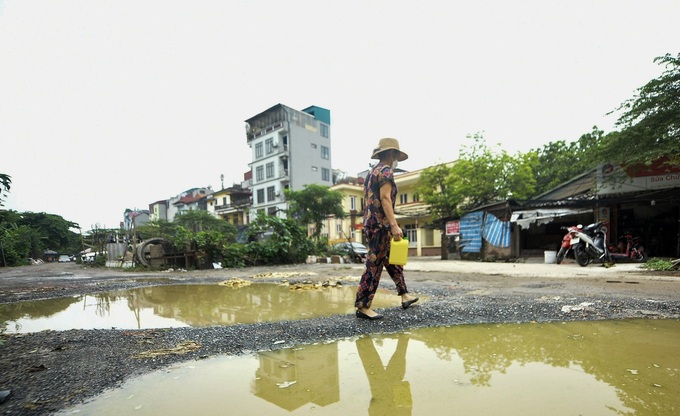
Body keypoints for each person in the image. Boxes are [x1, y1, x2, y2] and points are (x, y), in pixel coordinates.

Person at [355, 138, 418, 320]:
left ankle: (404, 295)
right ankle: (363, 305)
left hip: (373, 223)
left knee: (392, 261)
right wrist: (394, 224)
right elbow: (385, 199)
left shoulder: (372, 172)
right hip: (380, 225)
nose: (397, 157)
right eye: (397, 154)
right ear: (392, 153)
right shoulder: (386, 171)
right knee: (373, 264)